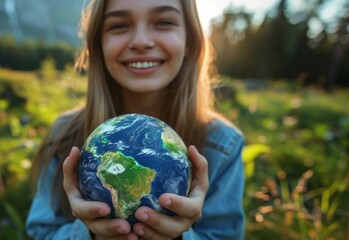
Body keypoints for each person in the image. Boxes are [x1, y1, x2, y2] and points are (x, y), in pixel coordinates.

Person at [26, 0, 245, 239]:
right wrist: (89, 234)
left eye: (163, 22)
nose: (141, 41)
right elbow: (41, 232)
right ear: (98, 44)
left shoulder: (223, 144)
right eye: (119, 25)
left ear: (190, 42)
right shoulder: (64, 135)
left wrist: (180, 236)